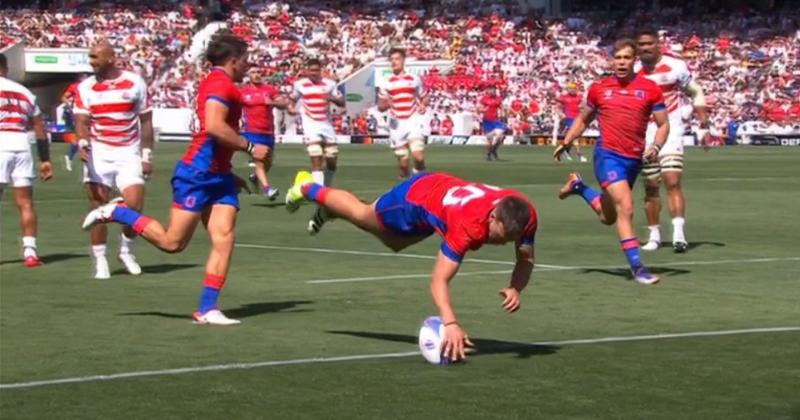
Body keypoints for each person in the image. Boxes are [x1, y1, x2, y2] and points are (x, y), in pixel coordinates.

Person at [81, 33, 270, 325]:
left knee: (224, 239)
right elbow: (215, 127)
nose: (249, 65)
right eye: (245, 60)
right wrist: (249, 147)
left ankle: (207, 309)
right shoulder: (220, 84)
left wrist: (228, 173)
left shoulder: (222, 83)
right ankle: (117, 212)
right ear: (233, 61)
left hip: (217, 176)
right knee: (172, 243)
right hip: (197, 174)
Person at [284, 170, 537, 362]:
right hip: (414, 198)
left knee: (394, 244)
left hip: (441, 200)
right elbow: (438, 280)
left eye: (509, 240)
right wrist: (450, 323)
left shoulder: (525, 217)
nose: (503, 243)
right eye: (500, 236)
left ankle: (332, 209)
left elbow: (525, 258)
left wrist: (516, 287)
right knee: (364, 216)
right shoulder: (466, 228)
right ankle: (306, 187)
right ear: (493, 216)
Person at [554, 38, 669, 285]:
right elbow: (584, 119)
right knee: (626, 207)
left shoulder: (650, 89)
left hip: (633, 159)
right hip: (607, 156)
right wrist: (567, 141)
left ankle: (579, 187)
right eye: (617, 58)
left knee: (608, 217)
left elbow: (663, 124)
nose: (621, 62)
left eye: (626, 58)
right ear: (612, 60)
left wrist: (656, 146)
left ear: (634, 60)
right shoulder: (599, 88)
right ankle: (638, 269)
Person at [74, 40, 154, 279]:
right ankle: (100, 260)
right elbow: (81, 121)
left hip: (128, 152)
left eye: (95, 58)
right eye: (90, 58)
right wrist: (82, 142)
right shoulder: (86, 87)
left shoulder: (134, 82)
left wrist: (147, 155)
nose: (91, 62)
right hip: (99, 153)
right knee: (98, 208)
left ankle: (126, 251)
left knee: (134, 206)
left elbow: (146, 121)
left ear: (109, 58)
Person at [635, 28, 709, 253]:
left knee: (672, 179)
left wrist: (703, 122)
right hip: (643, 132)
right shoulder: (633, 70)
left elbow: (695, 91)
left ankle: (679, 234)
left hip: (672, 128)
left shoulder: (675, 66)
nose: (645, 48)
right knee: (651, 185)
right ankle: (654, 236)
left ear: (658, 45)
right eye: (641, 45)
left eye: (649, 44)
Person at [0, 52, 54, 267]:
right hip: (22, 145)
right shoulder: (25, 92)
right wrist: (45, 159)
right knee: (25, 203)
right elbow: (40, 127)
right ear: (6, 69)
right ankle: (30, 252)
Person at [288, 58, 345, 235]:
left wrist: (333, 99)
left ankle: (321, 191)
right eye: (311, 70)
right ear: (306, 70)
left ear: (320, 70)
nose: (314, 73)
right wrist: (290, 108)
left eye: (316, 70)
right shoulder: (300, 85)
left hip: (326, 125)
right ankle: (320, 194)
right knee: (315, 155)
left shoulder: (329, 84)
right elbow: (291, 100)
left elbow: (342, 102)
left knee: (332, 159)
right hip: (310, 124)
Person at [377, 47, 427, 179]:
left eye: (397, 59)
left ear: (403, 60)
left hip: (412, 120)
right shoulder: (386, 81)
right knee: (404, 164)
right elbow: (381, 107)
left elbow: (424, 97)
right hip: (396, 124)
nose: (394, 62)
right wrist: (387, 103)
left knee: (419, 157)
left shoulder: (414, 79)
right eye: (392, 59)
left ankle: (420, 183)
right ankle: (405, 181)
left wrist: (423, 105)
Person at [240, 67, 288, 200]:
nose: (256, 75)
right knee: (260, 161)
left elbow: (284, 103)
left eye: (258, 72)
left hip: (268, 132)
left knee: (268, 162)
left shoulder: (269, 90)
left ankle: (256, 177)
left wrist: (271, 102)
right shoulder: (243, 93)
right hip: (252, 132)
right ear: (248, 75)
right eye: (253, 72)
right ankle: (268, 189)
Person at [556, 82, 587, 162]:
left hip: (578, 118)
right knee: (575, 136)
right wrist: (561, 114)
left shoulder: (579, 97)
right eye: (571, 88)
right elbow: (558, 107)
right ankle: (580, 155)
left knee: (573, 137)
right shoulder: (563, 97)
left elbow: (584, 105)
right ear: (568, 89)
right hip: (569, 118)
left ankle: (566, 151)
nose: (573, 90)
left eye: (574, 88)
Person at [479, 85, 506, 161]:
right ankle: (489, 153)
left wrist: (503, 113)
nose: (492, 91)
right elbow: (479, 109)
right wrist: (483, 109)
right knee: (489, 141)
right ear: (488, 91)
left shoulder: (498, 99)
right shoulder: (484, 99)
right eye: (491, 90)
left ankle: (494, 149)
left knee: (500, 137)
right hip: (487, 121)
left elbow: (502, 107)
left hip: (496, 121)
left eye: (494, 90)